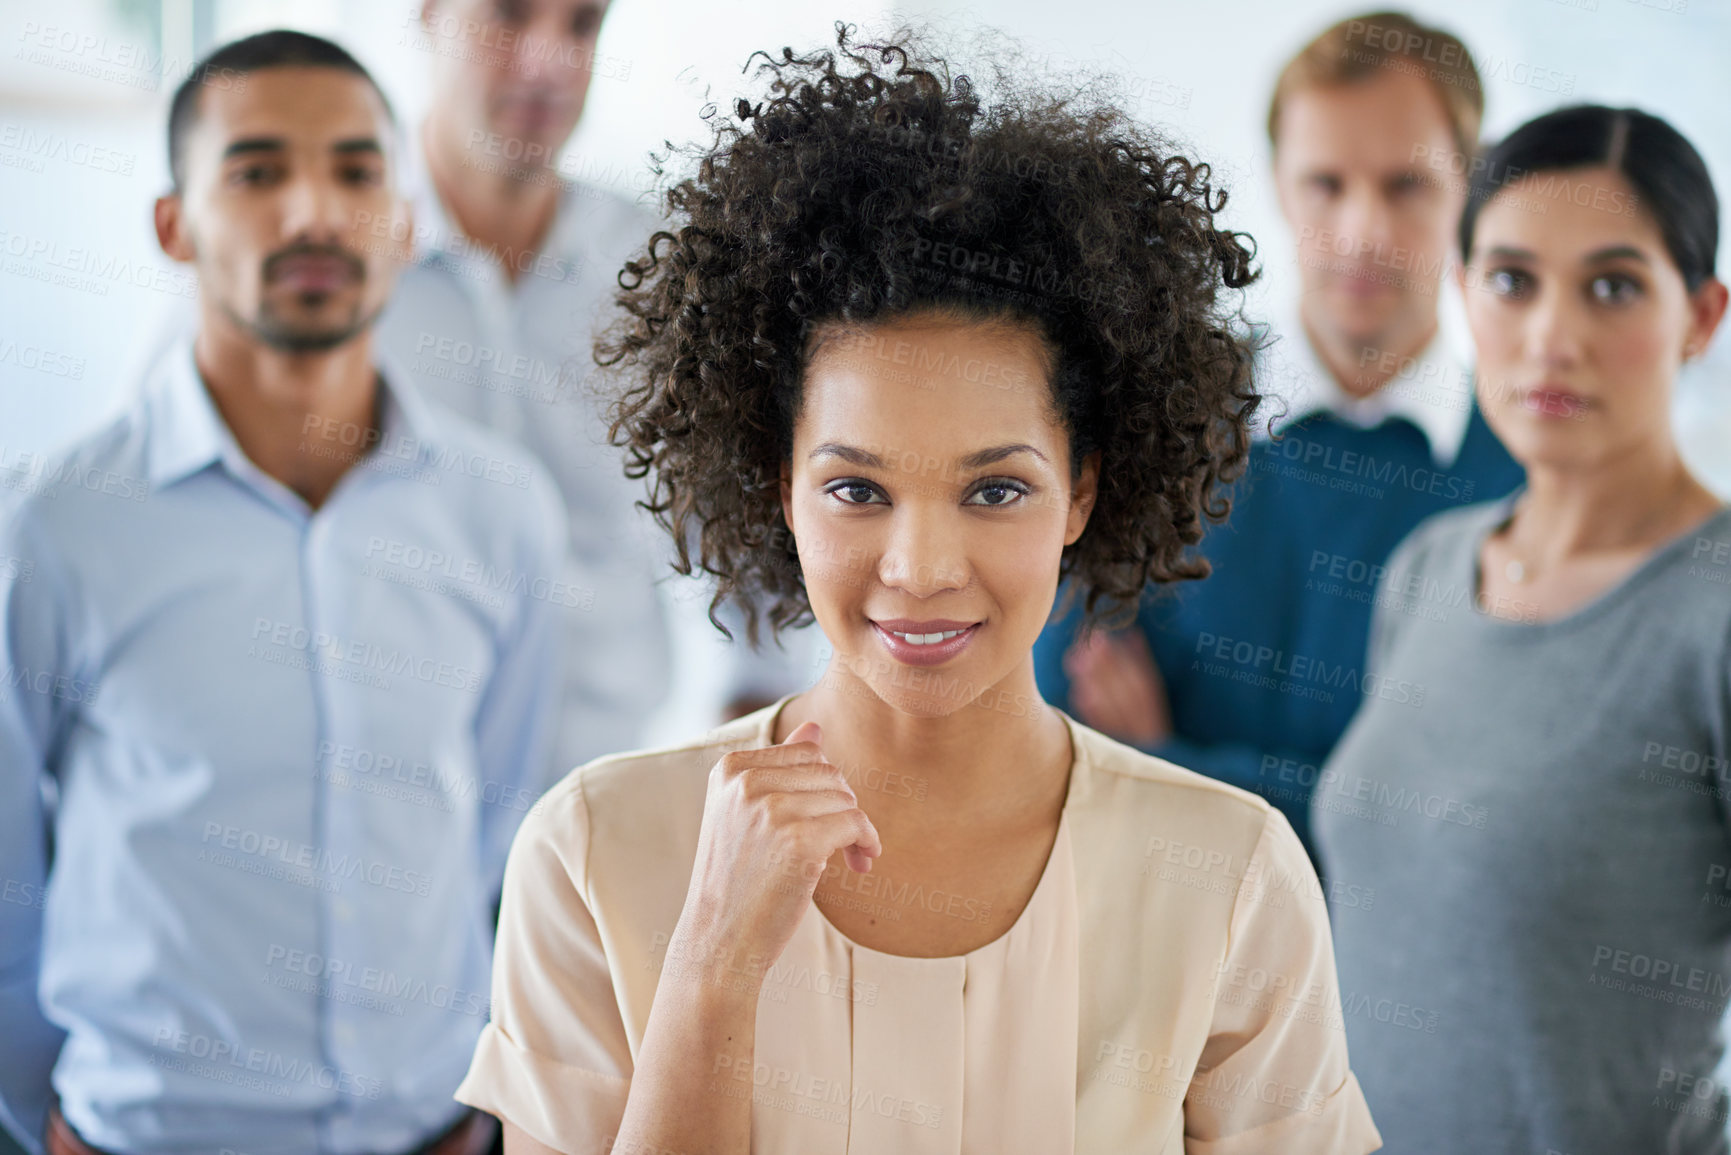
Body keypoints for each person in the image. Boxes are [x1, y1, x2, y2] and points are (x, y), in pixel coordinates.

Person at [451, 25, 1382, 1154]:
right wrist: (708, 966)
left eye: (995, 490)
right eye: (856, 490)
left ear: (1085, 491)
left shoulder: (1232, 875)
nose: (923, 570)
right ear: (775, 484)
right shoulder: (595, 852)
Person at [0, 31, 566, 1155]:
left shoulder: (503, 516)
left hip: (433, 1133)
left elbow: (494, 832)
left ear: (402, 222)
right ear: (175, 225)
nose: (314, 211)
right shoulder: (52, 526)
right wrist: (36, 1118)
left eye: (357, 171)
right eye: (256, 171)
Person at [1315, 105, 1731, 1153]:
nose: (1551, 335)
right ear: (1463, 296)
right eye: (1511, 281)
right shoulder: (1428, 570)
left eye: (1612, 286)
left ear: (1702, 316)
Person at [1031, 11, 1524, 863]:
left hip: (1374, 983)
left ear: (1470, 190)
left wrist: (1165, 762)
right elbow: (1053, 716)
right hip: (1136, 947)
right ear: (1280, 182)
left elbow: (1455, 819)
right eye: (1326, 183)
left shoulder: (1523, 480)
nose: (1363, 230)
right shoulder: (1150, 414)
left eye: (1404, 184)